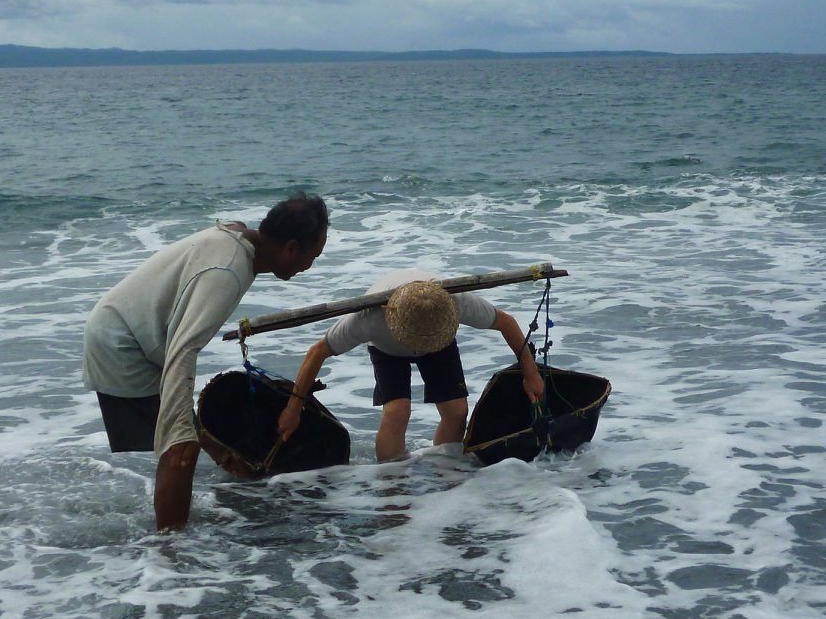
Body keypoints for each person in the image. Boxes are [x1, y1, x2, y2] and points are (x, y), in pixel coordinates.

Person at [82, 194, 329, 530]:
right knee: (181, 450)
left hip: (135, 333)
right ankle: (172, 551)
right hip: (124, 344)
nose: (309, 267)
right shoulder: (228, 270)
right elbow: (182, 349)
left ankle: (218, 499)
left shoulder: (240, 239)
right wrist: (182, 430)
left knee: (196, 437)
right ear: (290, 248)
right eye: (312, 257)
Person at [275, 268, 544, 462]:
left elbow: (506, 323)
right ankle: (391, 485)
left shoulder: (455, 302)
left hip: (441, 345)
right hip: (387, 347)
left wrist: (530, 374)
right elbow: (317, 352)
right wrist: (293, 408)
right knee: (397, 411)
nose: (419, 346)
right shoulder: (369, 319)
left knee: (456, 410)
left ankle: (445, 469)